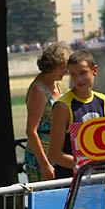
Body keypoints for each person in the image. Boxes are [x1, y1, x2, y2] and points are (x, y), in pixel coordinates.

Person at [49, 50, 105, 179]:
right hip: (70, 180)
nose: (78, 79)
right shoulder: (63, 106)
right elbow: (54, 154)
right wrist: (86, 165)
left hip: (97, 178)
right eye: (73, 75)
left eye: (83, 73)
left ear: (95, 70)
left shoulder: (102, 100)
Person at [24, 43, 71, 182]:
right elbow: (31, 131)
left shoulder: (56, 83)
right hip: (42, 155)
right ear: (52, 67)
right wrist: (45, 165)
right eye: (63, 68)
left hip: (56, 151)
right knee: (44, 199)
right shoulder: (38, 91)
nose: (66, 72)